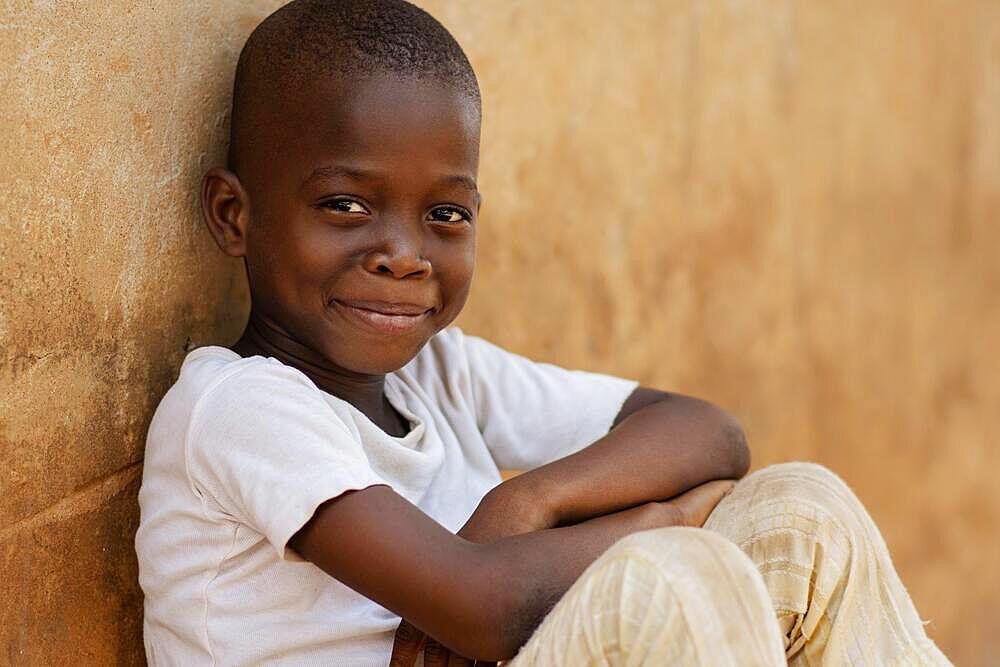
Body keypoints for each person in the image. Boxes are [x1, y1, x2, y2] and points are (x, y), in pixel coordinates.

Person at [134, 1, 952, 665]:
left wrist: (530, 498)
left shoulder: (440, 373)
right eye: (346, 205)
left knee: (800, 512)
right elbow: (480, 606)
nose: (402, 256)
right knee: (668, 586)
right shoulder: (237, 407)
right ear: (234, 215)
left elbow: (708, 430)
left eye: (445, 214)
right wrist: (659, 521)